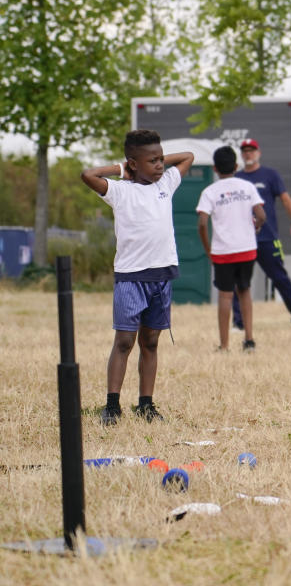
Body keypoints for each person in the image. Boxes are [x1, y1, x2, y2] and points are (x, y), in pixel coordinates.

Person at [80, 130, 194, 425]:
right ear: (133, 163)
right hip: (131, 277)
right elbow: (87, 174)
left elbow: (188, 157)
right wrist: (122, 169)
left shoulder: (166, 184)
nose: (160, 165)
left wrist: (154, 159)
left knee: (151, 341)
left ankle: (145, 404)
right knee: (124, 341)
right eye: (152, 161)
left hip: (162, 275)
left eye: (160, 159)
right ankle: (112, 405)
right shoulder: (120, 191)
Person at [233, 138, 291, 333]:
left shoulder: (270, 175)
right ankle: (238, 324)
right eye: (245, 151)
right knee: (238, 282)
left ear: (259, 153)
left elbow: (285, 198)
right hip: (242, 239)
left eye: (252, 150)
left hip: (267, 237)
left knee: (280, 278)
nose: (248, 154)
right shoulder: (237, 178)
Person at [196, 146, 266, 352]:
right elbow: (261, 215)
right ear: (236, 166)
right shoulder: (247, 186)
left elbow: (201, 223)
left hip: (222, 251)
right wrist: (255, 227)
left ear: (215, 168)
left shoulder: (209, 191)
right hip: (247, 248)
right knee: (244, 291)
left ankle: (225, 345)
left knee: (225, 296)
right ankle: (249, 340)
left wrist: (208, 249)